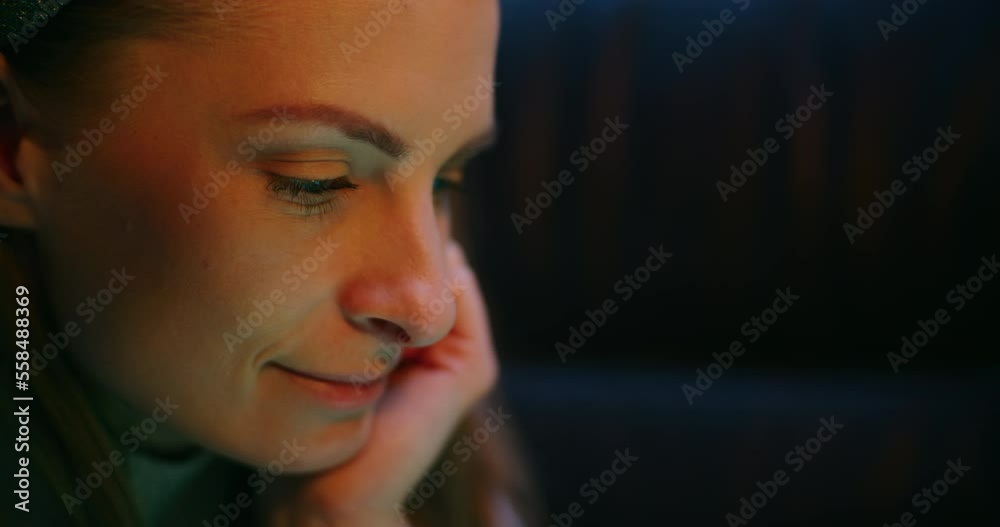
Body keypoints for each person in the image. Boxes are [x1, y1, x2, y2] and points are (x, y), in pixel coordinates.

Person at [0, 1, 537, 525]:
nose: (430, 311)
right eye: (314, 180)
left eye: (446, 181)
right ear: (12, 149)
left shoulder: (427, 446)